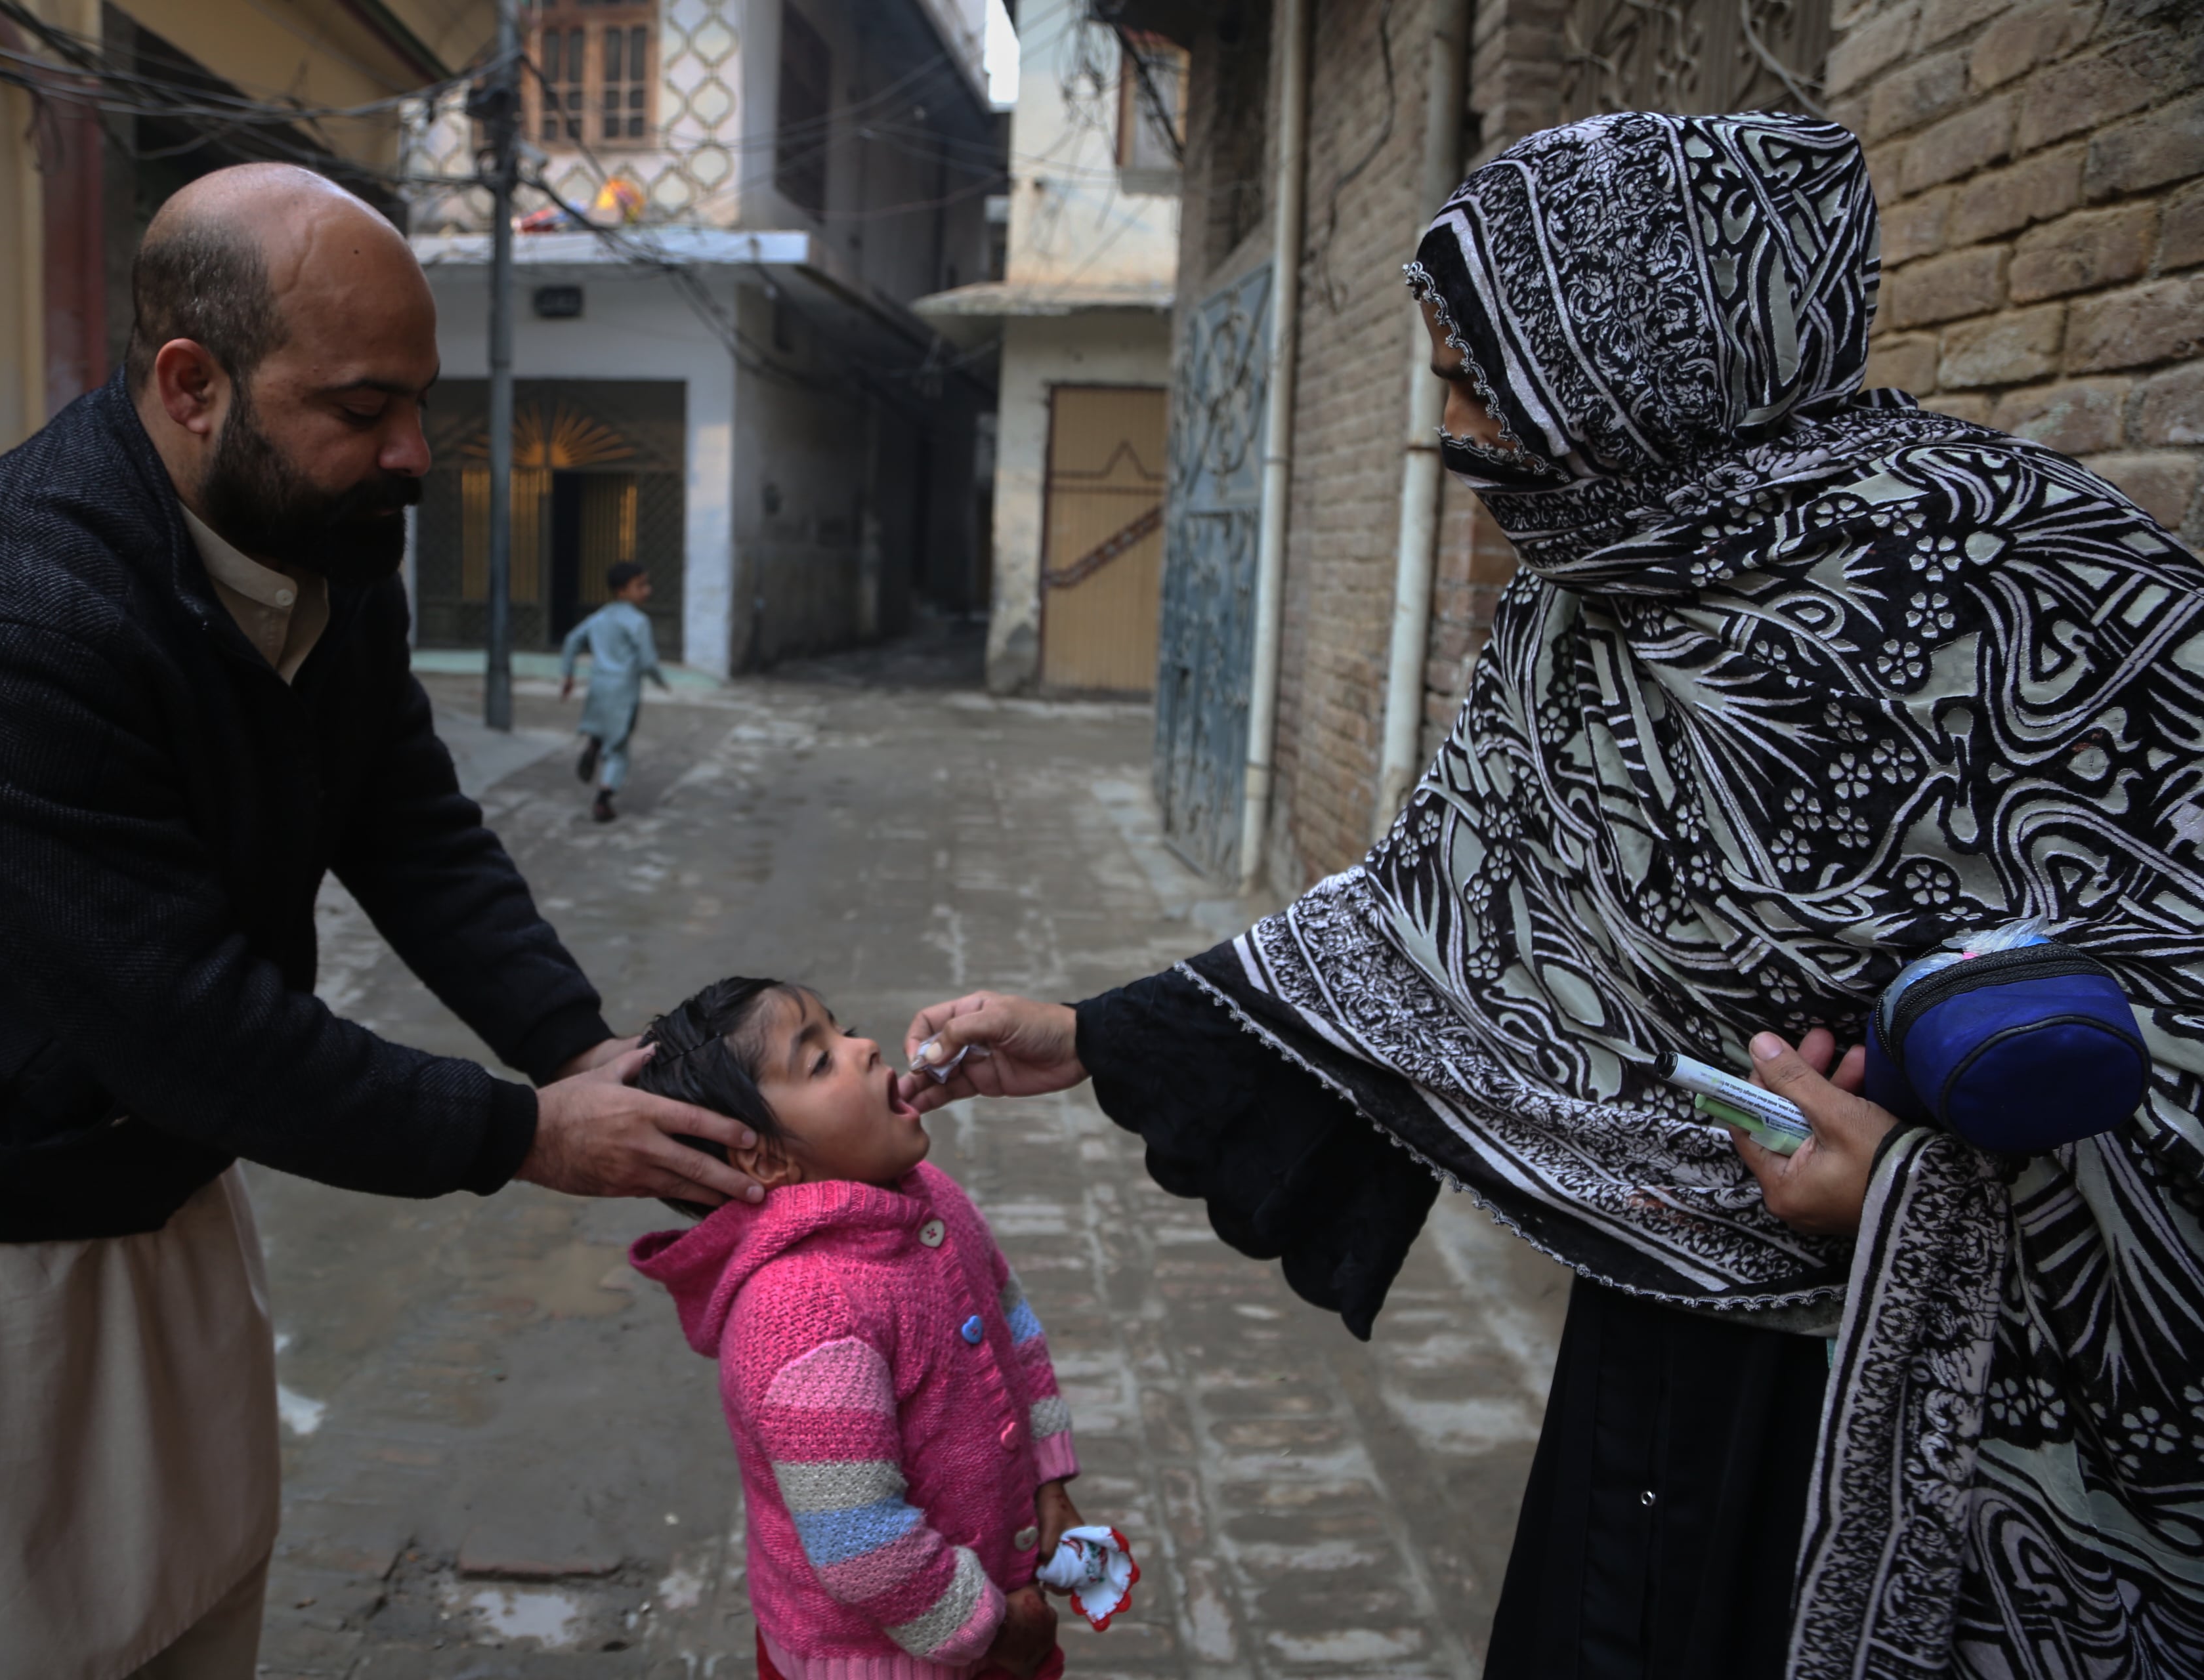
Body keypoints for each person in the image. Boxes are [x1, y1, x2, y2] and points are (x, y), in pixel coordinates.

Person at [904, 111, 2204, 1680]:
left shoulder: (2030, 582)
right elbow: (1428, 916)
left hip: (1959, 1411)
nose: (1453, 427)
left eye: (1479, 383)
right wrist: (1095, 1033)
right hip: (1656, 1343)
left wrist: (1905, 1198)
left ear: (1631, 362)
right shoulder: (1587, 597)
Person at [0, 163, 762, 1680]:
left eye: (421, 402)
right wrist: (526, 1131)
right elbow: (182, 1021)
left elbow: (408, 821)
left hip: (157, 1178)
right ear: (192, 386)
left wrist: (578, 1047)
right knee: (0, 1642)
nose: (412, 453)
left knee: (194, 1601)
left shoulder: (331, 541)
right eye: (363, 407)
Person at [625, 979, 1088, 1680]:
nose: (866, 1047)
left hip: (996, 1608)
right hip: (882, 1658)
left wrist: (1048, 1478)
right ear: (766, 1160)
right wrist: (994, 1632)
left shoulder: (932, 1198)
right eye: (820, 1061)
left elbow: (1012, 1330)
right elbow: (861, 1540)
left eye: (843, 1031)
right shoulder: (802, 1314)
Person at [559, 560, 668, 824]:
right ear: (622, 590)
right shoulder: (638, 621)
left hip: (599, 686)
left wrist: (568, 674)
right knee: (618, 747)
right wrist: (659, 680)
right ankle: (603, 800)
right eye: (640, 585)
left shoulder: (601, 617)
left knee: (602, 725)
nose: (647, 590)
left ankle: (593, 745)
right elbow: (648, 661)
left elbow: (572, 640)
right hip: (624, 689)